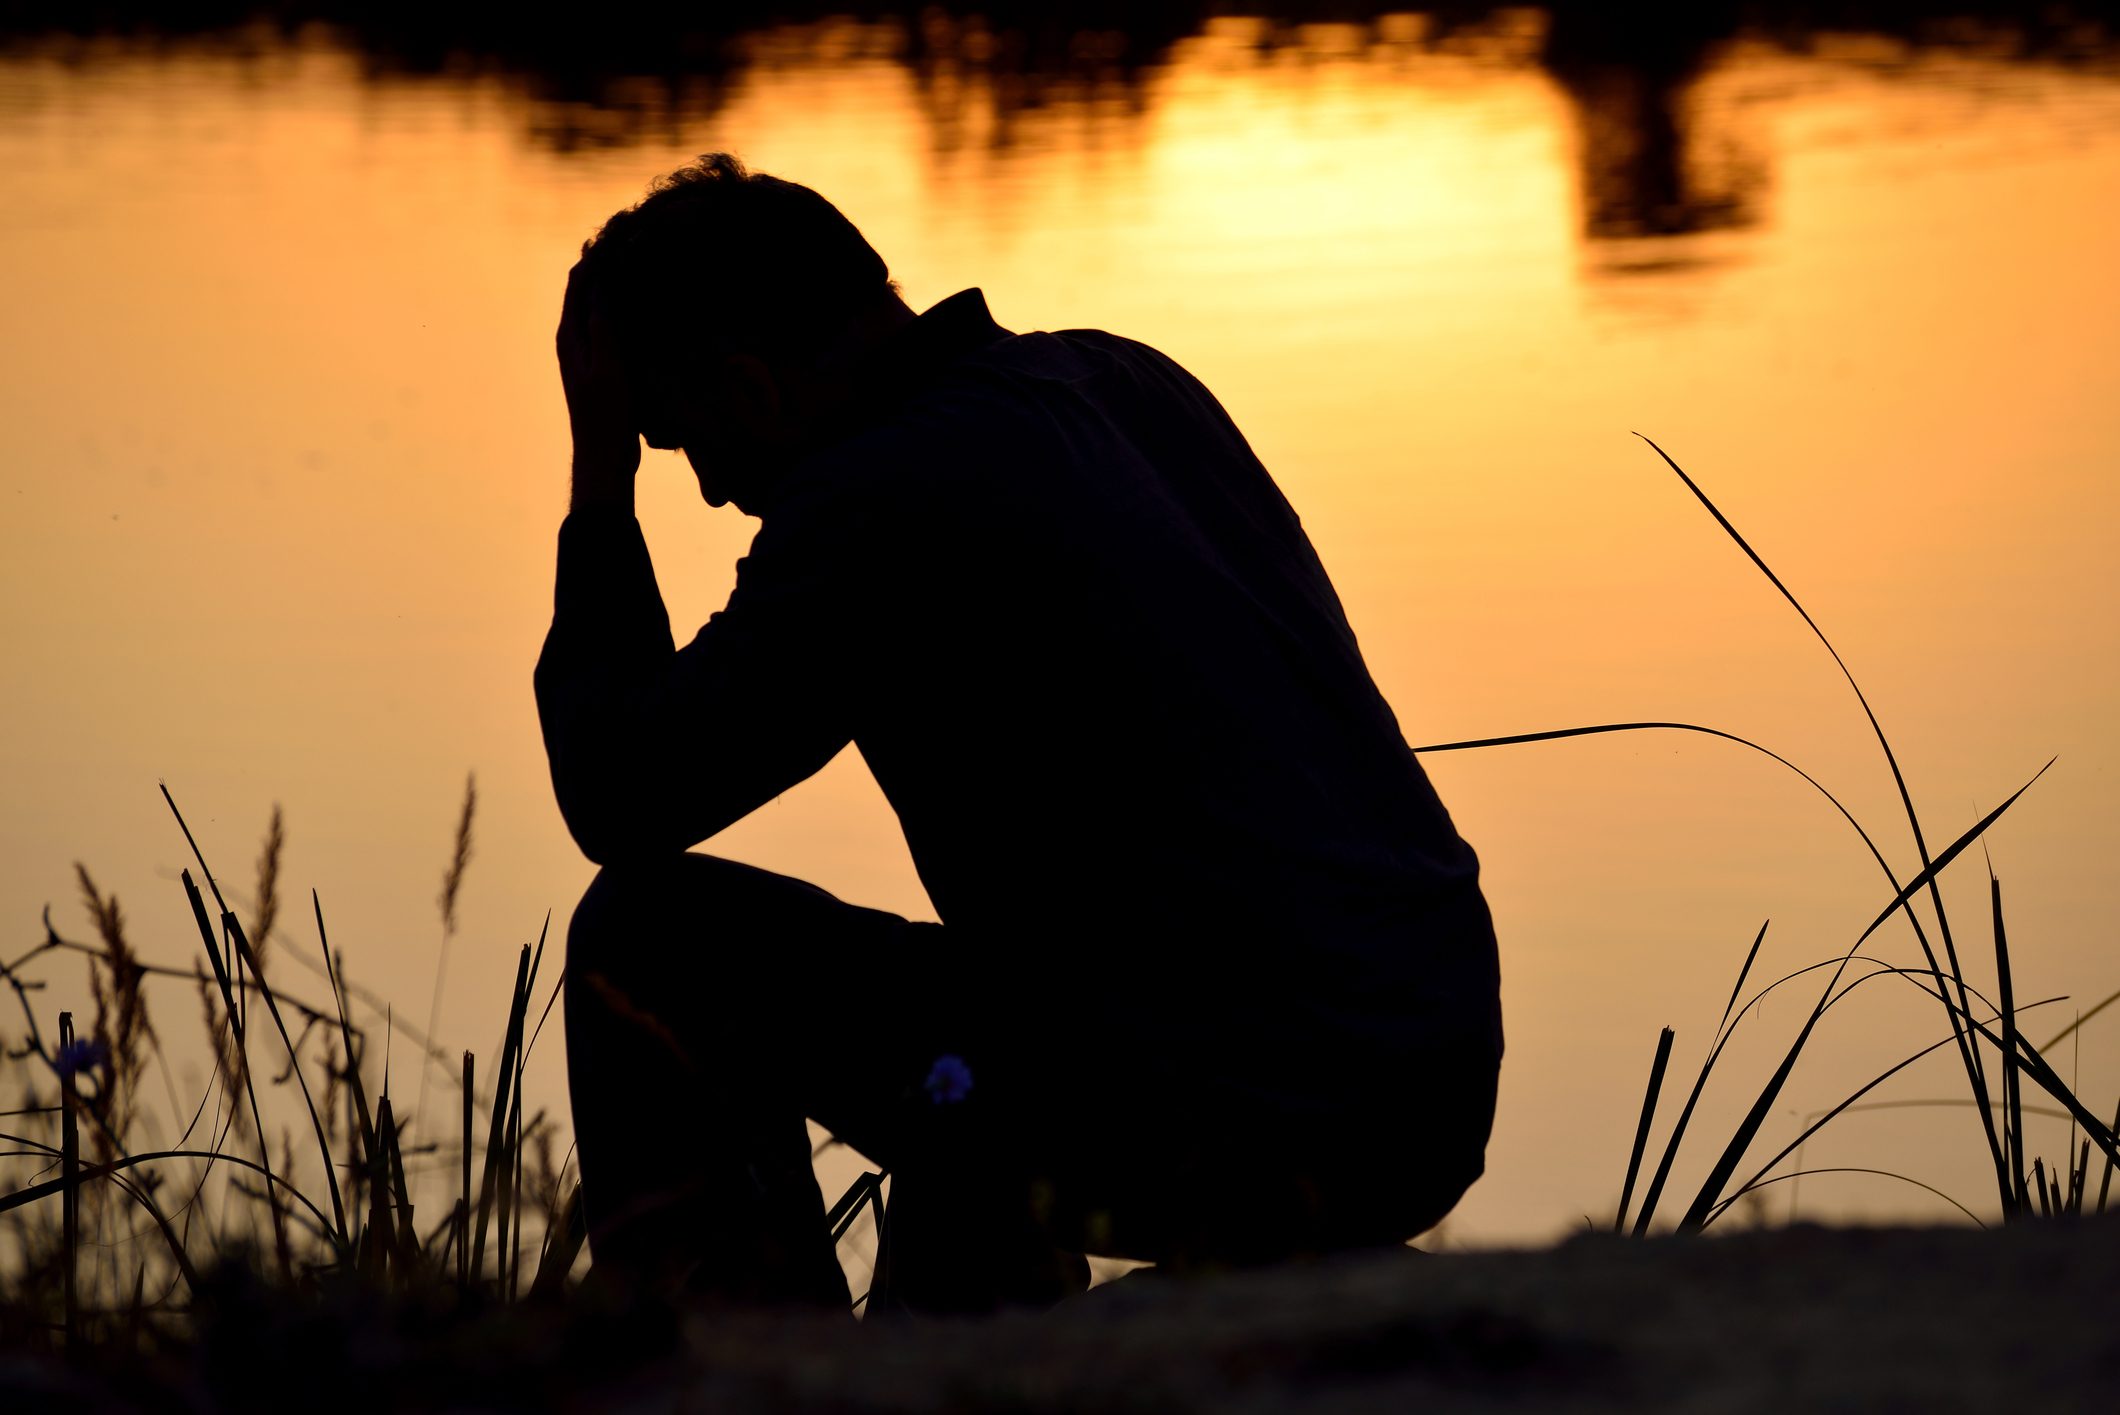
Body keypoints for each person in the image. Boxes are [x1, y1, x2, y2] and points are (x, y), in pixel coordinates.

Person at [535, 153, 1502, 1315]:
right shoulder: (1126, 382)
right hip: (1417, 1081)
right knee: (972, 1073)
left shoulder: (881, 492)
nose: (707, 494)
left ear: (747, 389)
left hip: (1230, 1111)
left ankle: (744, 1380)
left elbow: (620, 797)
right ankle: (972, 1322)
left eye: (682, 442)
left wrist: (599, 475)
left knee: (650, 934)